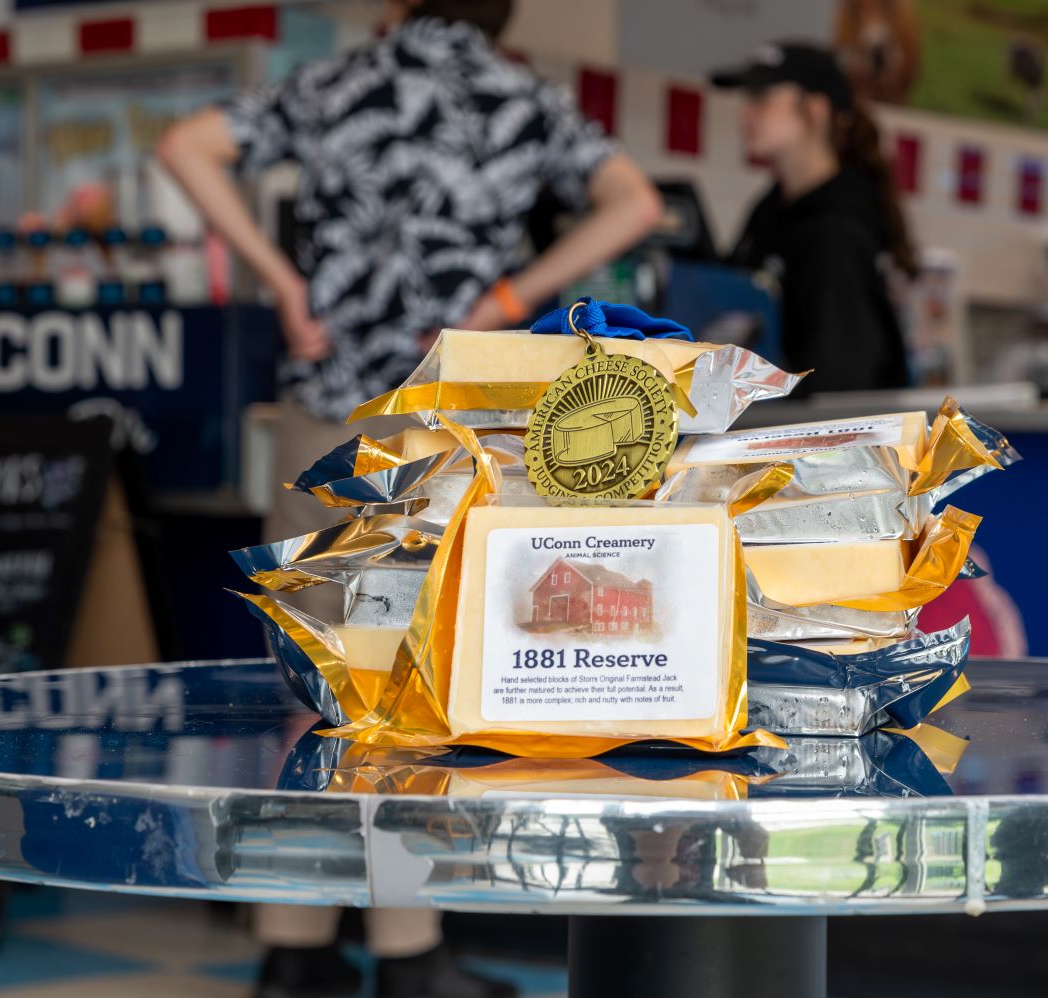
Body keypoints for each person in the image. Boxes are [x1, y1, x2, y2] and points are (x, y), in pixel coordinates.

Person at [156, 1, 661, 995]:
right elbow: (635, 204)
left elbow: (185, 146)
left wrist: (283, 284)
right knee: (414, 688)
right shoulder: (523, 97)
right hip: (443, 415)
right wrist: (511, 301)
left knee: (317, 680)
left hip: (325, 415)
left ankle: (292, 944)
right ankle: (408, 950)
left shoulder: (336, 84)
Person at [711, 42, 918, 393]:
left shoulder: (838, 227)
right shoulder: (772, 208)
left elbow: (839, 382)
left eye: (761, 98)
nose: (746, 114)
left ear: (816, 109)